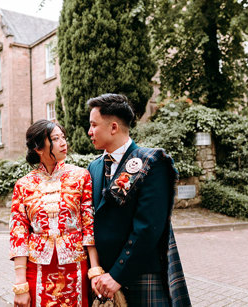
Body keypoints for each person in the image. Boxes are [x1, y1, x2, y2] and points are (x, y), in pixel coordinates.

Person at [87, 94, 191, 306]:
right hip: (104, 279)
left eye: (93, 125)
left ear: (113, 127)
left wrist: (117, 275)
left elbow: (148, 228)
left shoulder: (152, 162)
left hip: (141, 274)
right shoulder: (94, 167)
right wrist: (99, 272)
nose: (89, 132)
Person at [9, 119, 103, 307]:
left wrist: (95, 271)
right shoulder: (24, 184)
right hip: (36, 268)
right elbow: (18, 234)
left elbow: (88, 225)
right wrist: (21, 284)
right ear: (38, 148)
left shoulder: (81, 176)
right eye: (55, 138)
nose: (63, 143)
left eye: (63, 137)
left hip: (76, 266)